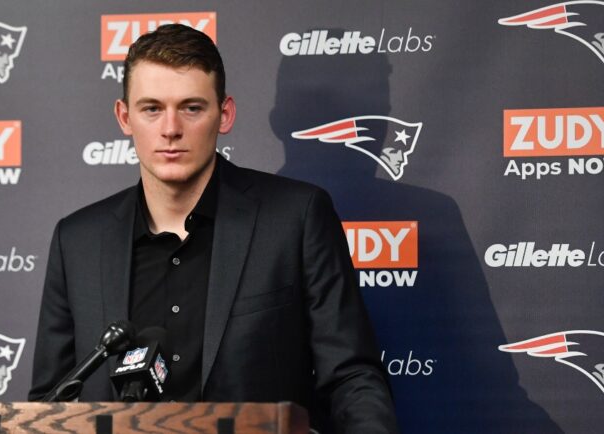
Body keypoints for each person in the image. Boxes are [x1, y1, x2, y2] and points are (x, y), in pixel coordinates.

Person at [28, 23, 397, 433]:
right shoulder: (76, 241)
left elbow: (351, 378)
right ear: (124, 117)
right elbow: (49, 403)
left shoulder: (296, 217)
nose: (171, 129)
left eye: (191, 107)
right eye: (152, 108)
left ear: (224, 115)